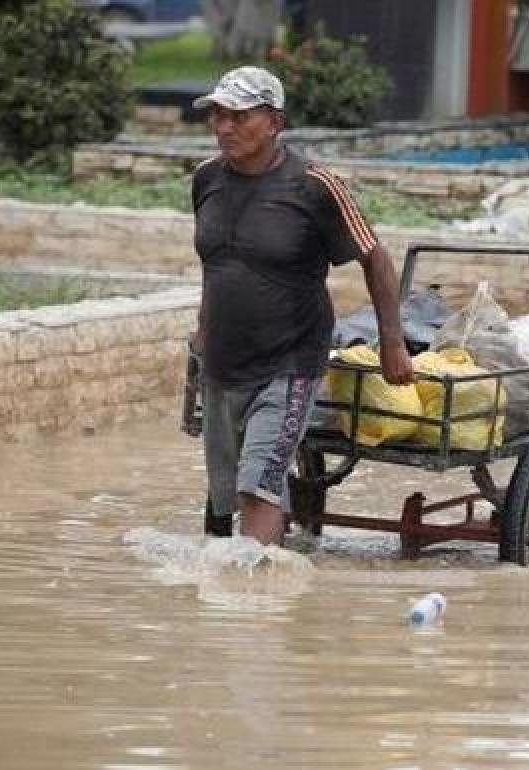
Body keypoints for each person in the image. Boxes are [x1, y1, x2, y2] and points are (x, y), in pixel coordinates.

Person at [190, 66, 413, 545]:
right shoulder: (206, 180)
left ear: (275, 122)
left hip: (288, 364)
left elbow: (374, 257)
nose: (223, 127)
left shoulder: (315, 186)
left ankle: (256, 603)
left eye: (238, 116)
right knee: (222, 494)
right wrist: (203, 327)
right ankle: (222, 604)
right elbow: (217, 265)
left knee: (257, 488)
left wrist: (393, 346)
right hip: (223, 363)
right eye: (217, 115)